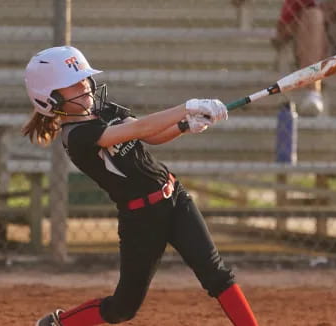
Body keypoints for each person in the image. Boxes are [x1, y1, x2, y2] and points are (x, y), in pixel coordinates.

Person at [23, 46, 259, 326]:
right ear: (50, 99)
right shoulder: (76, 136)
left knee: (217, 274)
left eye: (84, 79)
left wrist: (185, 125)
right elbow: (137, 129)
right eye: (73, 84)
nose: (84, 86)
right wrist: (187, 107)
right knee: (123, 308)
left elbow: (150, 136)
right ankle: (60, 323)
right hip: (141, 220)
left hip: (175, 199)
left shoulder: (105, 109)